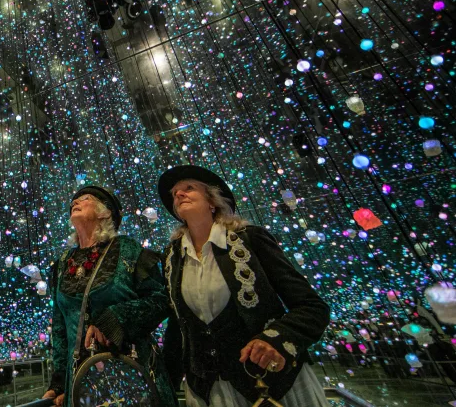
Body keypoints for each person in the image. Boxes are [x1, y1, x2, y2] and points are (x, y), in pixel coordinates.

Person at [157, 165, 331, 406]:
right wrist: (166, 383)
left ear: (212, 201)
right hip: (209, 390)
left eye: (189, 188)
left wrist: (275, 340)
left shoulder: (250, 239)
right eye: (175, 193)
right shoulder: (172, 256)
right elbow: (179, 326)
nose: (178, 194)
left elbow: (312, 307)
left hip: (268, 384)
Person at [43, 186, 175, 406]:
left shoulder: (128, 250)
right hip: (80, 382)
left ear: (105, 213)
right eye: (74, 201)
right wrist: (58, 384)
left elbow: (162, 299)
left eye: (85, 198)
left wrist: (116, 318)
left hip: (129, 375)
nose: (75, 202)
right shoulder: (62, 264)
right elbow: (59, 328)